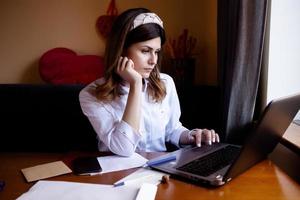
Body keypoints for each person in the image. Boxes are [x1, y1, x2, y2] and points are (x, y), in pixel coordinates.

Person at [79, 8, 220, 157]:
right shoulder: (91, 94)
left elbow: (172, 130)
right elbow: (124, 148)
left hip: (158, 170)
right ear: (121, 50)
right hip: (116, 173)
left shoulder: (166, 83)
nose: (153, 61)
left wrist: (193, 136)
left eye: (157, 52)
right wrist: (136, 85)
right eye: (145, 51)